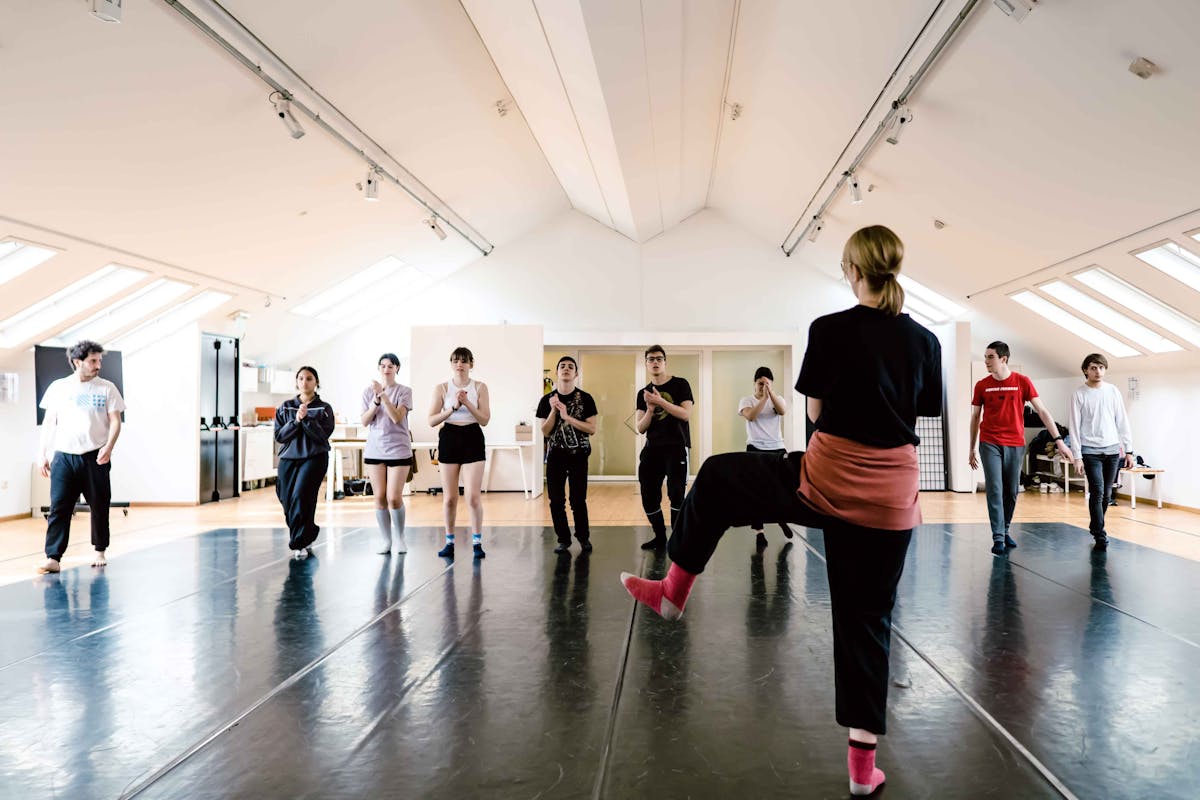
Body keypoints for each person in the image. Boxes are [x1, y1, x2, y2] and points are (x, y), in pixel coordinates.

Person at [621, 225, 942, 797]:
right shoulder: (927, 341)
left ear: (852, 269)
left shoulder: (830, 329)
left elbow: (816, 410)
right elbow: (918, 413)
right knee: (867, 622)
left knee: (719, 475)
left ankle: (673, 590)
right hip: (892, 497)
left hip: (825, 480)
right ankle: (863, 771)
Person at [969, 341, 1073, 555]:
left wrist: (1059, 440)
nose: (986, 361)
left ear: (1003, 359)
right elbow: (975, 417)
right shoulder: (982, 385)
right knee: (995, 489)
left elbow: (1043, 412)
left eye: (990, 357)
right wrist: (971, 448)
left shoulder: (1022, 382)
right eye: (986, 357)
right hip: (989, 442)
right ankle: (997, 536)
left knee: (1012, 491)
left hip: (1015, 443)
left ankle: (1005, 529)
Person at [36, 340, 125, 574]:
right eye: (93, 361)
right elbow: (49, 422)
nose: (98, 365)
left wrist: (108, 446)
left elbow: (116, 421)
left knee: (99, 504)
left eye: (99, 360)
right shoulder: (58, 387)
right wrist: (42, 453)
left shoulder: (107, 388)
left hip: (95, 456)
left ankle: (99, 550)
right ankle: (53, 557)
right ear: (78, 362)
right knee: (59, 507)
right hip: (64, 456)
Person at [428, 347, 491, 559]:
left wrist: (467, 403)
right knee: (450, 498)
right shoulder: (442, 388)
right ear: (451, 363)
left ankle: (476, 542)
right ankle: (449, 541)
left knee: (473, 497)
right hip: (450, 437)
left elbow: (484, 419)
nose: (459, 364)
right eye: (455, 360)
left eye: (464, 361)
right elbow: (431, 420)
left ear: (471, 364)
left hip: (473, 437)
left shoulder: (480, 387)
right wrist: (453, 407)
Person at [1067, 353, 1133, 551]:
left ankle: (1095, 525)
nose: (1098, 371)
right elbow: (1074, 427)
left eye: (1101, 368)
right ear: (1086, 370)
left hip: (1113, 451)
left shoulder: (1112, 391)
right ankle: (1100, 533)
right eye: (1094, 367)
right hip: (1090, 452)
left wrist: (1129, 450)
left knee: (1107, 494)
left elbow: (1122, 421)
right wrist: (1077, 456)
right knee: (1097, 491)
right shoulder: (1079, 394)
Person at [536, 355, 598, 553]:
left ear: (576, 373)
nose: (566, 369)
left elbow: (591, 428)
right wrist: (554, 412)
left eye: (570, 367)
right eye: (562, 366)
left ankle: (583, 537)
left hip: (579, 455)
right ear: (557, 372)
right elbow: (545, 431)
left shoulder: (586, 398)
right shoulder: (546, 400)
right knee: (556, 500)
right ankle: (563, 539)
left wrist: (567, 417)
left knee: (578, 499)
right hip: (555, 456)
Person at [635, 345, 693, 551]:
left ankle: (677, 539)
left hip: (676, 447)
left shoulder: (680, 384)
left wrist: (660, 401)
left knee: (677, 494)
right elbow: (640, 427)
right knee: (648, 496)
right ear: (646, 363)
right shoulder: (643, 393)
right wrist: (650, 409)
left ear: (665, 362)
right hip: (652, 449)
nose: (655, 362)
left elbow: (685, 414)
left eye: (659, 358)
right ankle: (660, 536)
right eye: (651, 359)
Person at [274, 366, 335, 559]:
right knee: (287, 499)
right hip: (288, 459)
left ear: (316, 382)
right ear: (296, 382)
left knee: (301, 496)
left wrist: (306, 419)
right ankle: (307, 533)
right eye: (301, 378)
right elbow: (280, 435)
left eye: (309, 378)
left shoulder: (324, 408)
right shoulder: (285, 407)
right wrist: (296, 421)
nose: (304, 382)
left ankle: (298, 543)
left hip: (313, 458)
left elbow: (322, 435)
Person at [361, 353, 414, 555]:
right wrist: (375, 401)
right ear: (378, 369)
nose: (386, 369)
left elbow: (396, 417)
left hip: (399, 449)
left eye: (391, 365)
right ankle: (386, 540)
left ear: (397, 368)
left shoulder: (404, 391)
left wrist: (383, 396)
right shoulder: (367, 393)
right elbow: (365, 421)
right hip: (375, 449)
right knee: (380, 497)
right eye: (382, 365)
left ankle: (400, 538)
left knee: (393, 497)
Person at [738, 366, 792, 550]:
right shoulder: (747, 400)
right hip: (755, 448)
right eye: (760, 383)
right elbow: (751, 417)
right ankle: (759, 532)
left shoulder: (778, 400)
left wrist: (771, 395)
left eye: (767, 383)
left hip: (777, 447)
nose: (763, 386)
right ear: (755, 384)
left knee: (780, 488)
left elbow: (782, 411)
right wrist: (763, 399)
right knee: (756, 491)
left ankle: (781, 519)